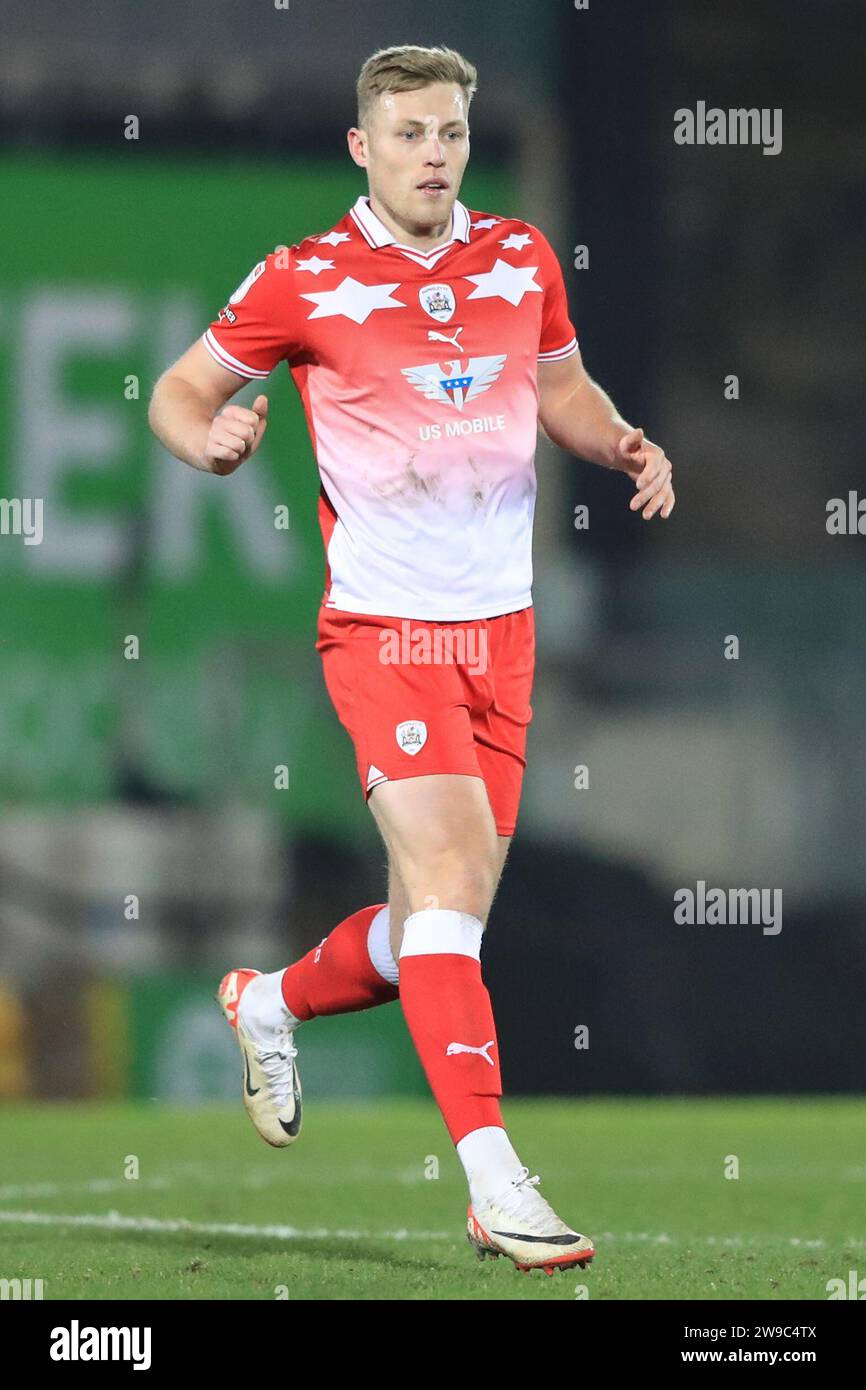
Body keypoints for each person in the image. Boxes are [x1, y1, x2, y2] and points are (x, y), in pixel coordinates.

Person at [148, 42, 674, 1276]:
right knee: (443, 886)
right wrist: (208, 438)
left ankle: (268, 1000)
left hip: (502, 637)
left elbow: (563, 387)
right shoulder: (305, 279)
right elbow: (177, 391)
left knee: (432, 926)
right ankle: (495, 1181)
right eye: (408, 135)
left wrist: (622, 443)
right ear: (361, 148)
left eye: (448, 134)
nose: (432, 154)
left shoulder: (518, 258)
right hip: (384, 634)